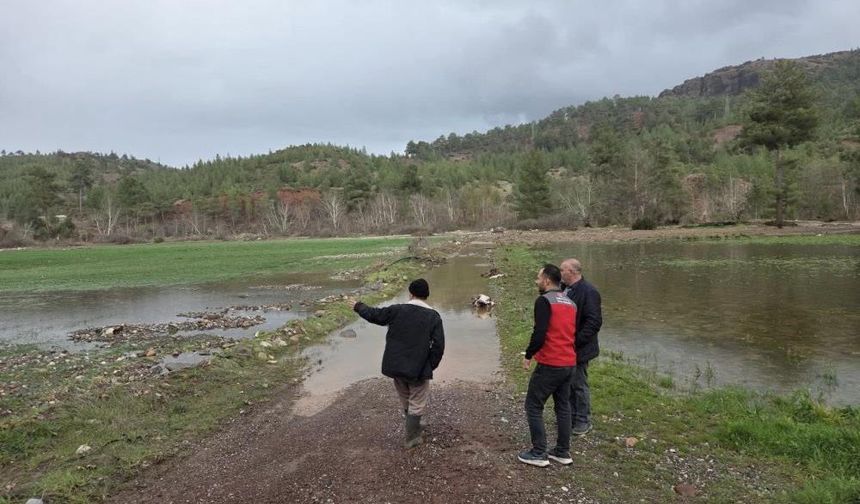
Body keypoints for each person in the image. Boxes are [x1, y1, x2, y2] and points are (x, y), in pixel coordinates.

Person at [353, 278, 445, 449]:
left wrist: (358, 306)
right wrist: (429, 366)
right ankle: (412, 438)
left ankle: (414, 426)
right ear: (426, 295)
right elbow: (439, 346)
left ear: (410, 294)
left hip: (395, 366)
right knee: (417, 401)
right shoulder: (433, 316)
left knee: (406, 398)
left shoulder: (397, 310)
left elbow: (374, 315)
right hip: (418, 369)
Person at [518, 264, 577, 467]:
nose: (537, 281)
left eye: (538, 278)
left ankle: (538, 452)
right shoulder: (570, 302)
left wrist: (529, 354)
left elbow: (540, 332)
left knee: (533, 405)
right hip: (569, 362)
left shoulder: (544, 301)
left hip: (551, 362)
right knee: (563, 406)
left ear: (547, 280)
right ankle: (562, 451)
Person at [560, 258, 602, 436]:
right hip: (564, 346)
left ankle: (583, 420)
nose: (560, 273)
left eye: (562, 270)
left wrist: (575, 341)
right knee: (567, 384)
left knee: (579, 384)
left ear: (572, 272)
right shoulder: (564, 289)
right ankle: (570, 417)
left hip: (579, 348)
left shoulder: (589, 291)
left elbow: (594, 322)